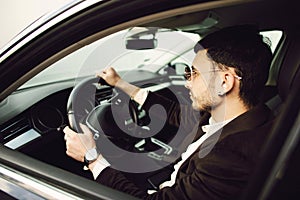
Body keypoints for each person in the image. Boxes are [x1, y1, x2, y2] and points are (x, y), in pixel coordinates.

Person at [63, 25, 275, 199]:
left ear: (224, 81)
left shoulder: (229, 158)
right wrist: (120, 83)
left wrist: (91, 158)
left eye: (193, 73)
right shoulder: (236, 116)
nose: (187, 82)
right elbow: (176, 113)